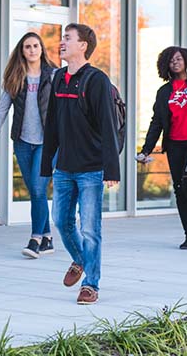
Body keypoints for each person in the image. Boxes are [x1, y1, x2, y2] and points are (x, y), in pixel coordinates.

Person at [41, 23, 121, 305]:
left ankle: (91, 284)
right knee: (61, 221)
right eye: (62, 38)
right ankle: (79, 259)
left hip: (91, 167)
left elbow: (109, 126)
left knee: (90, 228)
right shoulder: (59, 78)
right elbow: (51, 123)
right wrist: (46, 164)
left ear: (83, 45)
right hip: (64, 166)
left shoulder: (96, 79)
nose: (62, 42)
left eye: (68, 38)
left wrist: (112, 168)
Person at [0, 33, 57, 259]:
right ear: (22, 51)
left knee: (37, 189)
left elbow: (65, 108)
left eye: (36, 46)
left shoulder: (54, 75)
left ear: (42, 49)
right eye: (28, 47)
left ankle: (35, 239)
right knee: (36, 192)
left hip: (47, 143)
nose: (32, 50)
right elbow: (2, 108)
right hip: (22, 142)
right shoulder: (15, 77)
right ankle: (47, 237)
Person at [137, 47, 187, 250]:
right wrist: (146, 149)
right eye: (171, 61)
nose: (175, 63)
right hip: (175, 144)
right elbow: (157, 122)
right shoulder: (165, 92)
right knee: (179, 190)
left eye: (178, 59)